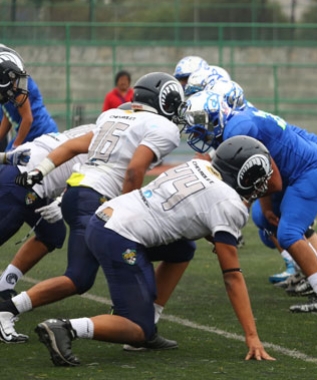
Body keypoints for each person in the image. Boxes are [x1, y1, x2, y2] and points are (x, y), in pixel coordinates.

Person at [33, 136, 277, 366]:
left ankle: (151, 321)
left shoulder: (197, 165)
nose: (261, 186)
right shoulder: (229, 203)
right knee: (138, 328)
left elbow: (189, 210)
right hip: (118, 235)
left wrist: (214, 237)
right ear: (245, 177)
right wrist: (252, 336)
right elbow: (232, 276)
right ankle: (66, 328)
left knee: (182, 249)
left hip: (107, 218)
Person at [0, 72, 186, 347]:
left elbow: (73, 146)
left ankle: (143, 321)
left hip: (78, 194)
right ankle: (9, 308)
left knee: (178, 249)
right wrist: (130, 210)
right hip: (97, 200)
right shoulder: (162, 127)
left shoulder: (112, 116)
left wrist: (41, 173)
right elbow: (134, 169)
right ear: (166, 102)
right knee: (79, 277)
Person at [181, 90, 317, 313]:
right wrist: (262, 208)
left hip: (309, 172)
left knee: (288, 233)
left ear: (214, 117)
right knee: (267, 221)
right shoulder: (235, 123)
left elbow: (271, 180)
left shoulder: (238, 129)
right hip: (297, 172)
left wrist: (234, 218)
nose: (196, 132)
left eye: (199, 124)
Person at [0, 125, 94, 302]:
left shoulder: (96, 128)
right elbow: (88, 177)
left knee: (53, 233)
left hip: (28, 175)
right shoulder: (111, 141)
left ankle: (5, 284)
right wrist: (61, 201)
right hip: (23, 180)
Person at [0, 46, 58, 150]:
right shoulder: (4, 86)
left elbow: (27, 119)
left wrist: (15, 147)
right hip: (27, 133)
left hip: (41, 132)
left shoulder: (16, 83)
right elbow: (7, 117)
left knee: (9, 164)